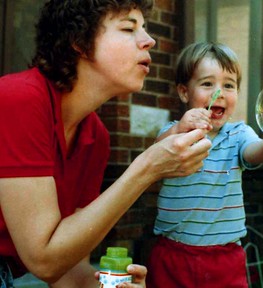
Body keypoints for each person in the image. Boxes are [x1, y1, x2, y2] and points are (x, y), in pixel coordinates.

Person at [0, 1, 212, 287]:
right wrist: (147, 169)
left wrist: (111, 283)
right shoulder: (19, 99)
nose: (149, 40)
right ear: (79, 42)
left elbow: (68, 269)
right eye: (128, 28)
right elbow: (44, 260)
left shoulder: (95, 137)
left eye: (146, 28)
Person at [146, 42, 263, 288]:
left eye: (229, 85)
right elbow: (157, 150)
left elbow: (253, 152)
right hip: (173, 254)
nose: (220, 92)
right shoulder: (174, 133)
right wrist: (181, 127)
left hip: (224, 259)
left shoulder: (238, 133)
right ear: (185, 93)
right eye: (207, 84)